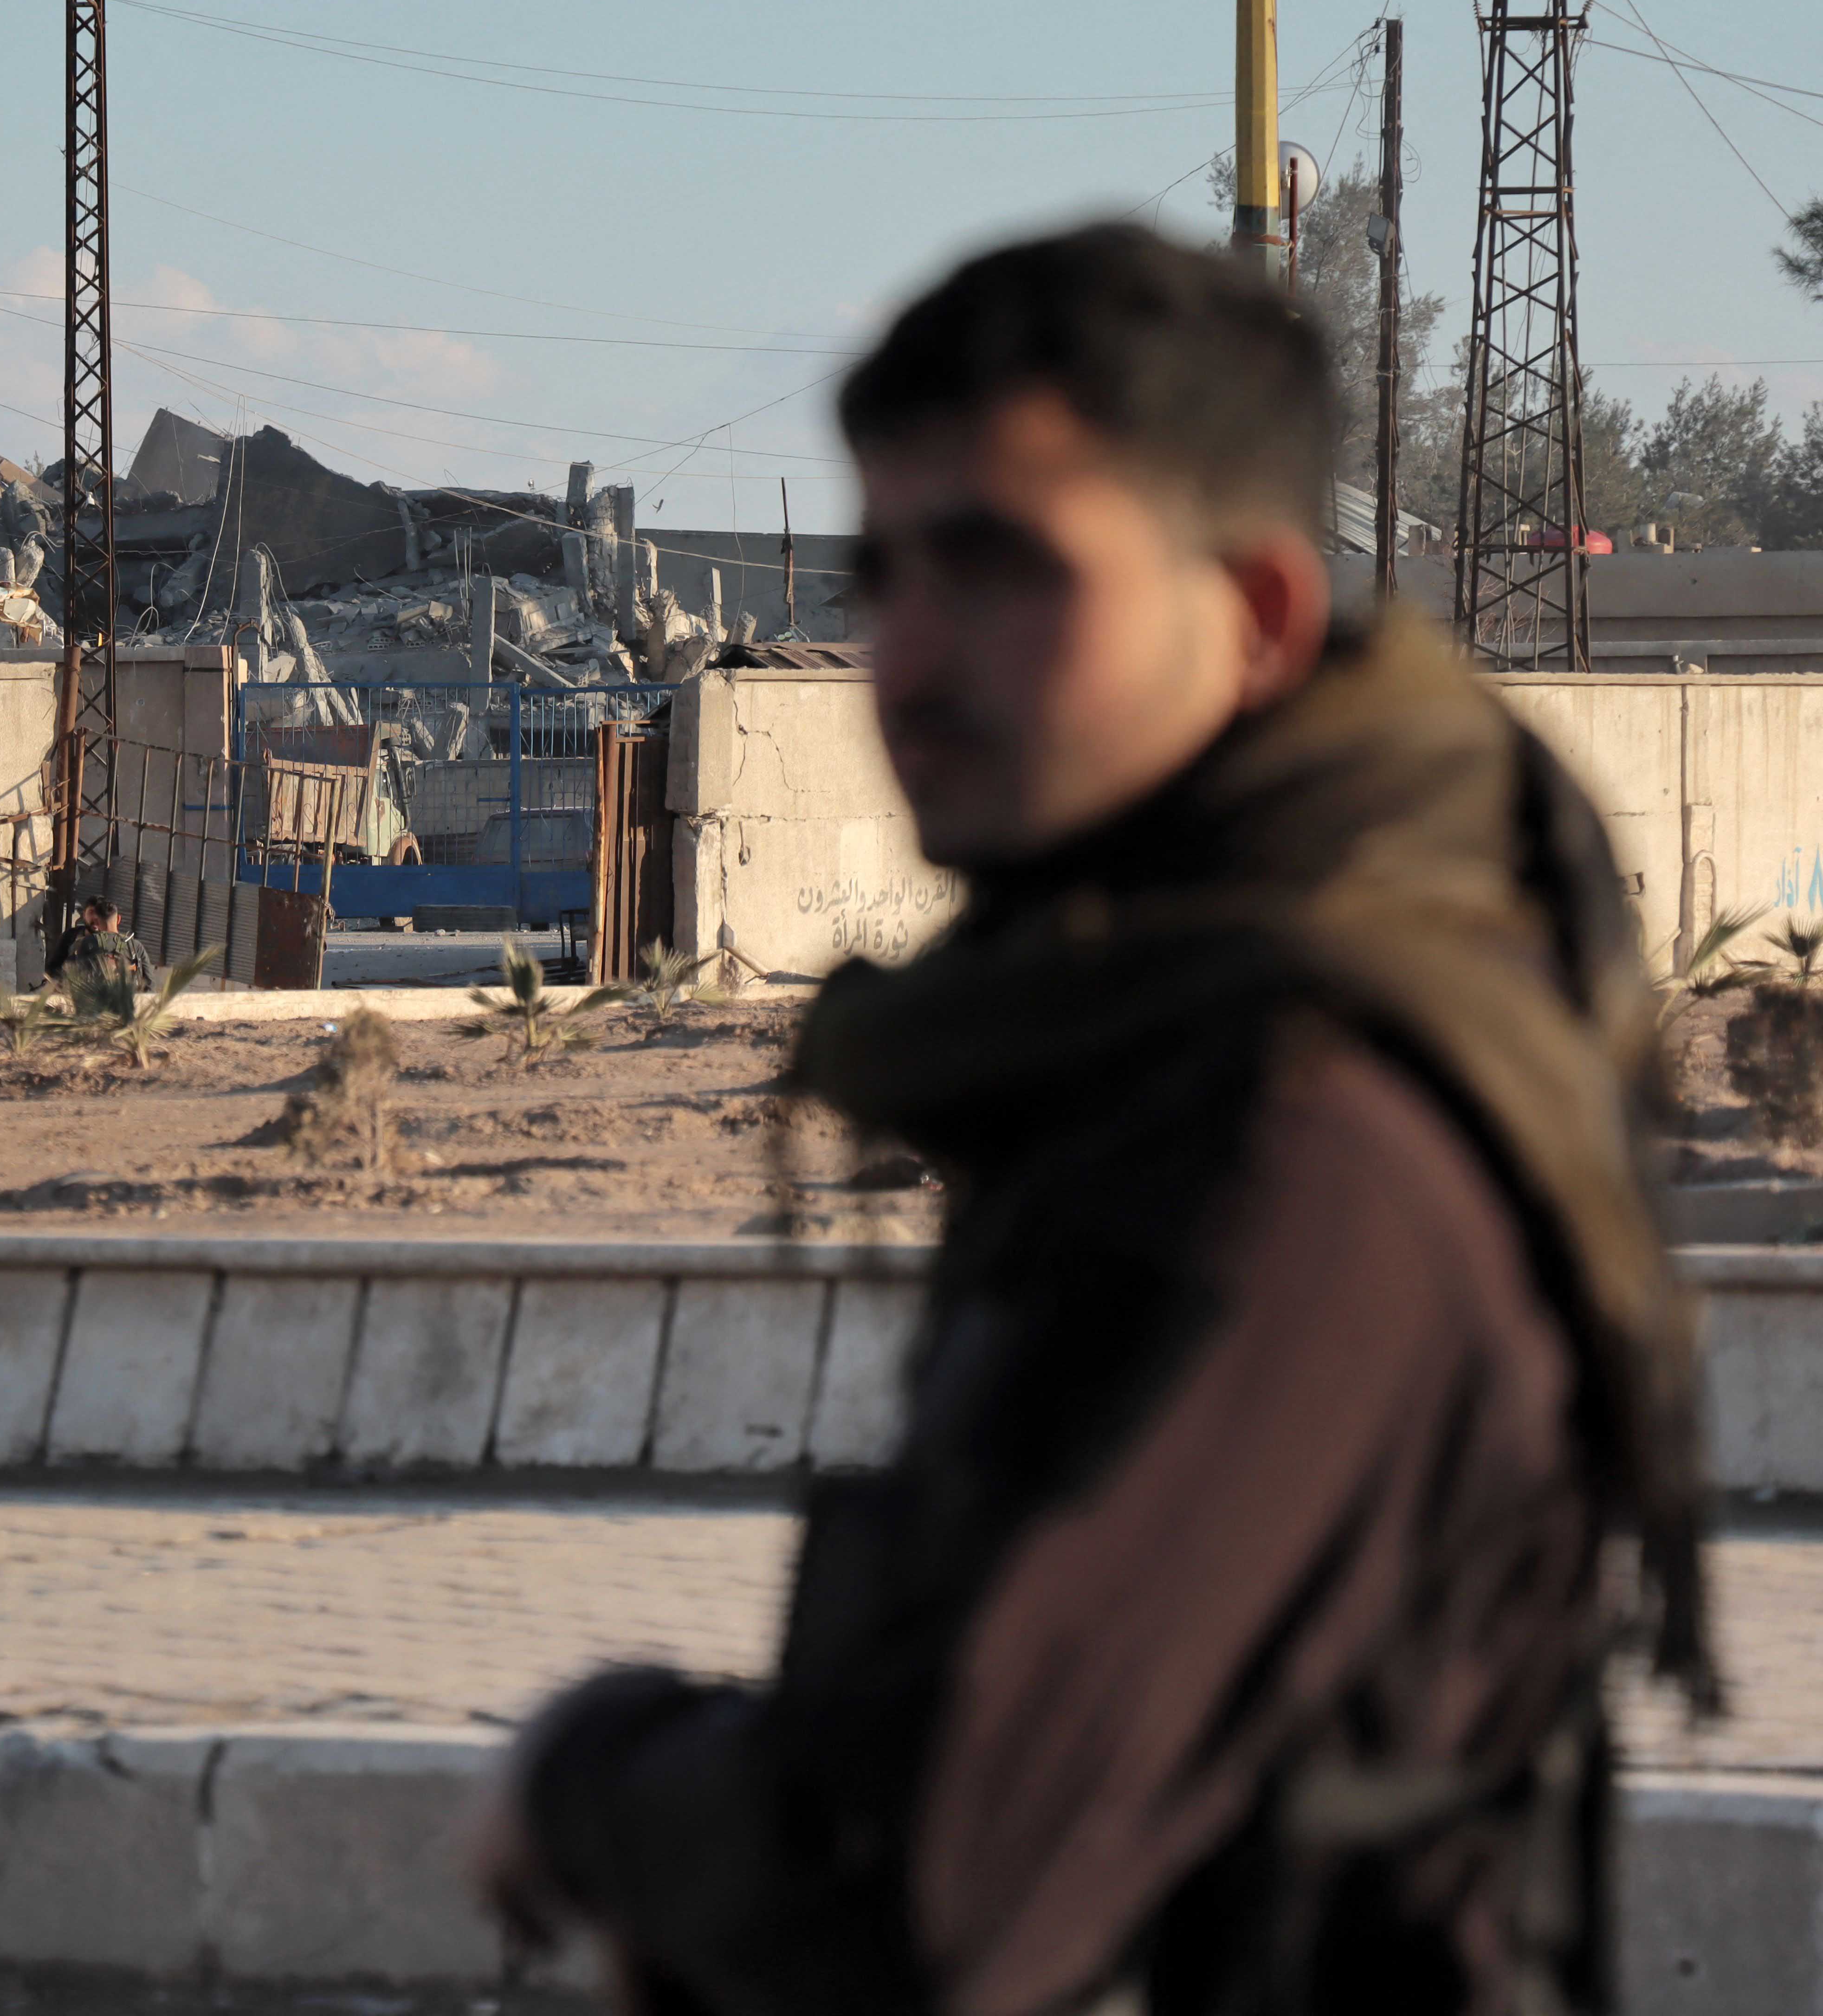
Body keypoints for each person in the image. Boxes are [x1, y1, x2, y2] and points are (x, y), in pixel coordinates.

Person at [481, 225, 1711, 2015]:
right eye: (880, 578)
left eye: (997, 570)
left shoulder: (1290, 1133)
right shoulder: (1161, 1026)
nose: (901, 660)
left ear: (1258, 613)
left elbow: (924, 1895)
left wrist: (587, 1774)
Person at [45, 894, 152, 995]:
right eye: (92, 912)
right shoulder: (71, 937)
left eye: (99, 914)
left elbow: (148, 984)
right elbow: (54, 968)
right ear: (84, 914)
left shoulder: (132, 946)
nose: (96, 918)